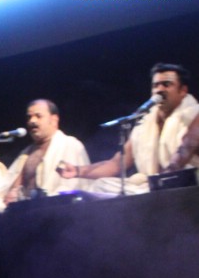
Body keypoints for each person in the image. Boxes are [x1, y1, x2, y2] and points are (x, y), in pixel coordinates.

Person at [58, 63, 199, 194]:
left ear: (183, 91)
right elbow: (116, 164)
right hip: (152, 187)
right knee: (100, 185)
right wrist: (77, 171)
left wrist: (162, 182)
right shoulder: (144, 124)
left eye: (166, 84)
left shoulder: (194, 115)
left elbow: (185, 149)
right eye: (155, 85)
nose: (159, 90)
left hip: (187, 185)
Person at [3, 100, 91, 204]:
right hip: (26, 214)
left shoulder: (70, 145)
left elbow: (72, 188)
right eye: (29, 117)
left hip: (56, 213)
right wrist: (11, 196)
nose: (32, 121)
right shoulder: (26, 153)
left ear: (54, 120)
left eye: (38, 116)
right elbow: (12, 188)